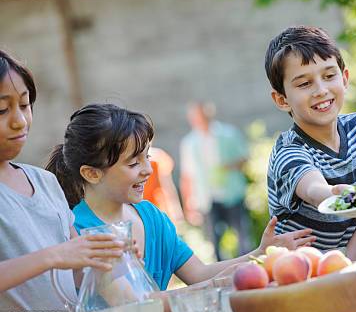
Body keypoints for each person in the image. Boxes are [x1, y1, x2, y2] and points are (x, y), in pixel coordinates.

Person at [46, 103, 316, 294]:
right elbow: (139, 306)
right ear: (92, 173)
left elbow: (198, 275)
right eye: (133, 163)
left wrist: (259, 254)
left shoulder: (151, 216)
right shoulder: (79, 232)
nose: (148, 170)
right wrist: (217, 286)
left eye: (147, 157)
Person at [0, 50, 124, 312]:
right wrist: (53, 256)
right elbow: (59, 255)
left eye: (24, 104)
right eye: (1, 109)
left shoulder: (44, 182)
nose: (19, 120)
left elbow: (76, 274)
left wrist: (107, 259)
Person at [264, 25, 356, 261]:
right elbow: (312, 189)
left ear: (345, 78)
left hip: (355, 259)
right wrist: (331, 194)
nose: (321, 90)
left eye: (329, 76)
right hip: (303, 271)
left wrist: (348, 268)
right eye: (304, 84)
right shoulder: (289, 150)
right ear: (282, 99)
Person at [180, 102, 252, 260]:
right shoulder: (189, 143)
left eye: (201, 116)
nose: (198, 120)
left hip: (232, 193)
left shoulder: (229, 133)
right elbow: (187, 175)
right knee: (215, 240)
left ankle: (251, 268)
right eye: (195, 117)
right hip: (207, 197)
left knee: (242, 237)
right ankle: (222, 275)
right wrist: (188, 204)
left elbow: (244, 158)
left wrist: (229, 166)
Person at [143, 146, 184, 223]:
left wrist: (175, 208)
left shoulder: (158, 158)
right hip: (147, 208)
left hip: (157, 206)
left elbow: (167, 186)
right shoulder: (157, 157)